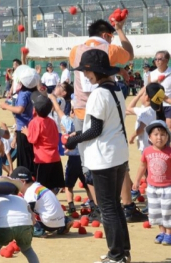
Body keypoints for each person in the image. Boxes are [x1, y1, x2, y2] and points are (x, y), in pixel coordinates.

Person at [69, 18, 138, 225]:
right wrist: (120, 29)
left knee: (87, 162)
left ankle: (99, 207)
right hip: (109, 107)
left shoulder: (75, 50)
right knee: (118, 157)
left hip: (81, 110)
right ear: (107, 35)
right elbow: (130, 54)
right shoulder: (110, 48)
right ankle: (127, 206)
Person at [65, 49, 131, 263]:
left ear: (94, 70)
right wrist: (79, 134)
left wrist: (73, 140)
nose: (85, 75)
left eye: (86, 71)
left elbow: (95, 130)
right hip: (119, 153)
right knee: (115, 204)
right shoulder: (116, 90)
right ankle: (123, 252)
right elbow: (103, 125)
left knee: (108, 207)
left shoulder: (98, 94)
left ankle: (115, 255)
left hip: (104, 157)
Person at [48, 94, 94, 217]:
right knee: (88, 184)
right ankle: (93, 206)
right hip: (85, 160)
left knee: (68, 186)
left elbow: (58, 111)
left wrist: (53, 98)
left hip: (73, 160)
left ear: (73, 113)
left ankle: (71, 207)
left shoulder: (69, 123)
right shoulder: (87, 124)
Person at [133, 120, 171, 245]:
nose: (159, 137)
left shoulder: (170, 152)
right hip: (152, 187)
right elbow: (142, 166)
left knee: (167, 211)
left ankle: (168, 233)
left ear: (167, 137)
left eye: (163, 134)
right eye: (156, 134)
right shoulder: (147, 151)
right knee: (156, 211)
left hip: (168, 187)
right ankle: (161, 232)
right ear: (149, 137)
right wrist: (137, 181)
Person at [0, 178, 39, 263]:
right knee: (27, 250)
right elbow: (33, 220)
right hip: (25, 226)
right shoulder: (22, 199)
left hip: (4, 227)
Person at [21, 91, 65, 191]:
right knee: (53, 185)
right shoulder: (52, 121)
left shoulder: (35, 122)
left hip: (42, 159)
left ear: (35, 109)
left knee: (41, 186)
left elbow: (32, 139)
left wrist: (26, 132)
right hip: (55, 157)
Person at [11, 166, 73, 237]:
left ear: (22, 182)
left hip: (48, 223)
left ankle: (38, 230)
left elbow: (27, 212)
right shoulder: (39, 186)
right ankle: (65, 222)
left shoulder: (30, 192)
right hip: (60, 220)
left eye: (15, 184)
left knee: (25, 214)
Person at [0, 66, 40, 174]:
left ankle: (26, 180)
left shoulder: (23, 93)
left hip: (23, 129)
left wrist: (5, 106)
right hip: (29, 127)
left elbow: (20, 109)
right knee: (31, 156)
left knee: (24, 159)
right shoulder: (33, 92)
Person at [150, 51, 171, 130]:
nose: (157, 61)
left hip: (169, 104)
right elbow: (147, 88)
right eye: (155, 59)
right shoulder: (152, 74)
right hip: (156, 104)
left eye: (159, 59)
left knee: (169, 125)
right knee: (158, 127)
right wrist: (156, 80)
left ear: (166, 60)